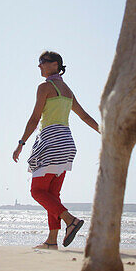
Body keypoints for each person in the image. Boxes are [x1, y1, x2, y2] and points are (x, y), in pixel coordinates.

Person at [12, 51, 100, 249]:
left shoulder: (44, 88)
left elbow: (35, 119)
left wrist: (21, 143)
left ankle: (71, 221)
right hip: (67, 144)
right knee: (52, 194)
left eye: (42, 62)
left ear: (55, 64)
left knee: (37, 191)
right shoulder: (68, 90)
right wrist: (103, 131)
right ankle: (52, 241)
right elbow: (84, 116)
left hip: (51, 141)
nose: (39, 66)